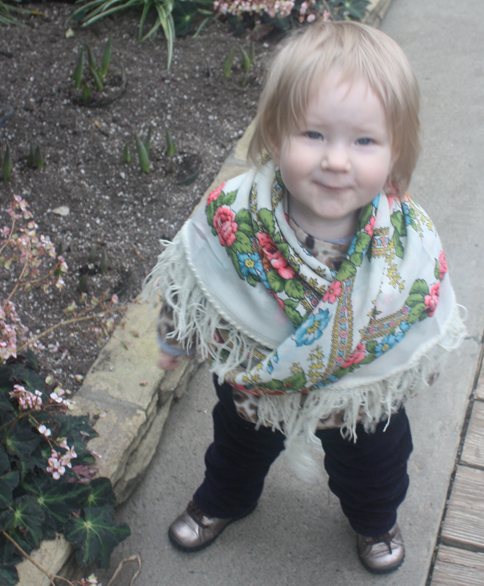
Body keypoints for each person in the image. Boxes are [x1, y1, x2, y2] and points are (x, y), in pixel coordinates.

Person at [145, 21, 466, 574]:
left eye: (364, 140)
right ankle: (224, 499)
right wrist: (175, 337)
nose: (337, 160)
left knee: (376, 467)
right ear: (274, 133)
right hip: (256, 381)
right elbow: (191, 281)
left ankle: (374, 518)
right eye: (313, 134)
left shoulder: (408, 240)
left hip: (359, 402)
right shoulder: (235, 217)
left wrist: (410, 368)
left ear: (396, 151)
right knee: (236, 449)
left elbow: (425, 307)